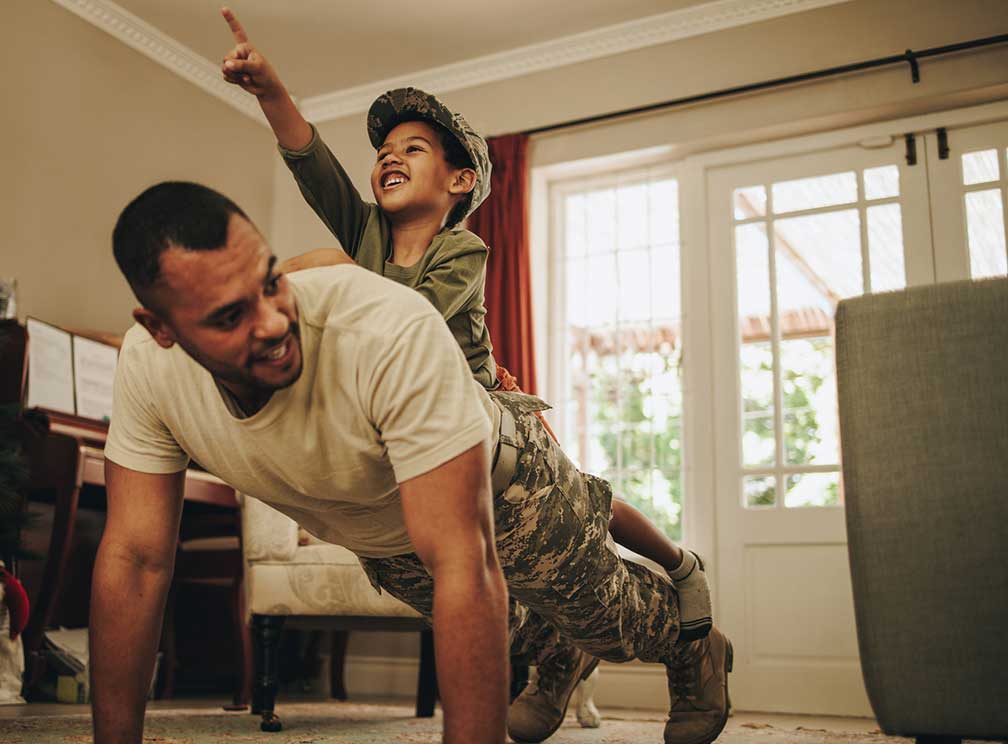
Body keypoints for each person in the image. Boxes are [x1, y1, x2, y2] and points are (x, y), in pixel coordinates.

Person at [92, 181, 731, 744]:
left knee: (612, 627)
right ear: (161, 329)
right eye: (230, 316)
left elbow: (463, 556)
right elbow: (136, 559)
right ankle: (560, 648)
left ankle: (696, 646)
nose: (271, 322)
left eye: (270, 282)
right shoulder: (149, 370)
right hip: (387, 538)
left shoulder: (384, 328)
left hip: (509, 487)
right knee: (511, 639)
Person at [219, 13, 714, 736]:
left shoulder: (462, 251)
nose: (389, 158)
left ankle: (686, 630)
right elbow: (310, 160)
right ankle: (556, 658)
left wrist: (324, 270)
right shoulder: (365, 234)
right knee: (472, 593)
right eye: (383, 151)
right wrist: (270, 90)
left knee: (586, 513)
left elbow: (411, 323)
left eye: (412, 148)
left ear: (460, 180)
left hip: (485, 420)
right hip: (401, 443)